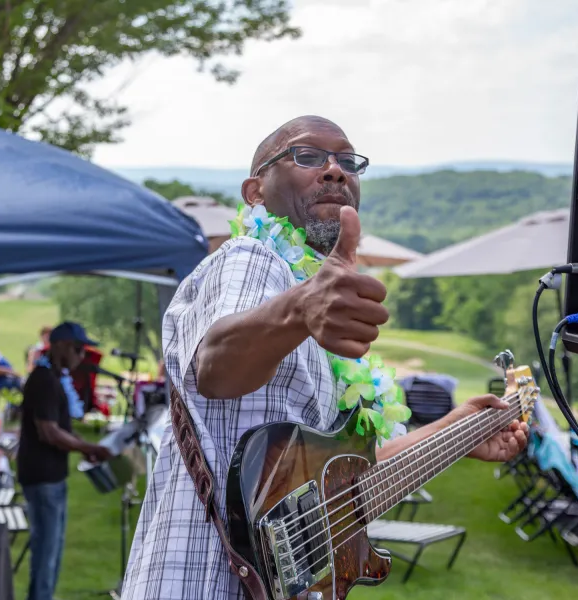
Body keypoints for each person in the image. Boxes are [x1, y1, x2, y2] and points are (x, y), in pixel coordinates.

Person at [119, 116, 530, 599]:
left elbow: (338, 484)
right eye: (307, 156)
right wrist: (301, 308)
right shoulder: (251, 258)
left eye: (347, 161)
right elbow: (216, 368)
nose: (335, 170)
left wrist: (456, 431)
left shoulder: (303, 299)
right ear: (255, 191)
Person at [18, 321, 113, 600]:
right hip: (42, 479)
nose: (81, 357)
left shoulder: (52, 378)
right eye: (78, 349)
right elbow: (48, 431)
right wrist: (87, 447)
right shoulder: (43, 379)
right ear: (59, 346)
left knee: (52, 550)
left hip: (51, 477)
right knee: (46, 554)